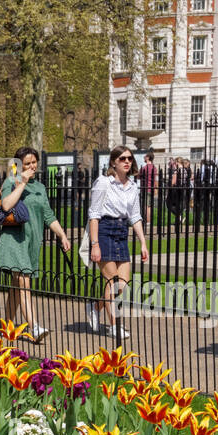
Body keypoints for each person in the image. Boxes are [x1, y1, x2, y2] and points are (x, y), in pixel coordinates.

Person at [0, 146, 72, 341]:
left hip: (32, 241)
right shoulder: (11, 182)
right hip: (14, 240)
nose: (31, 166)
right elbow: (5, 205)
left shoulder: (40, 187)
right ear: (19, 165)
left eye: (33, 162)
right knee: (23, 281)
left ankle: (7, 328)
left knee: (16, 286)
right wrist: (22, 183)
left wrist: (62, 235)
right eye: (27, 163)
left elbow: (48, 215)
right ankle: (34, 326)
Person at [85, 146, 149, 341]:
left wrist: (143, 243)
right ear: (113, 161)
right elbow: (94, 215)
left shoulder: (133, 186)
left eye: (129, 158)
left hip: (122, 231)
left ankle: (95, 306)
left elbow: (135, 216)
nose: (127, 161)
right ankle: (115, 325)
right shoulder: (103, 183)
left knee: (123, 285)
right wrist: (95, 244)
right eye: (122, 158)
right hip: (104, 230)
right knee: (111, 282)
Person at [138, 150, 158, 233]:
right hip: (151, 189)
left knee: (146, 206)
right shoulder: (154, 168)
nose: (144, 157)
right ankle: (148, 221)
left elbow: (138, 177)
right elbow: (156, 179)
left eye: (145, 156)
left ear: (148, 158)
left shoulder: (144, 168)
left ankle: (148, 222)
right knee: (149, 205)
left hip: (145, 188)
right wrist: (156, 188)